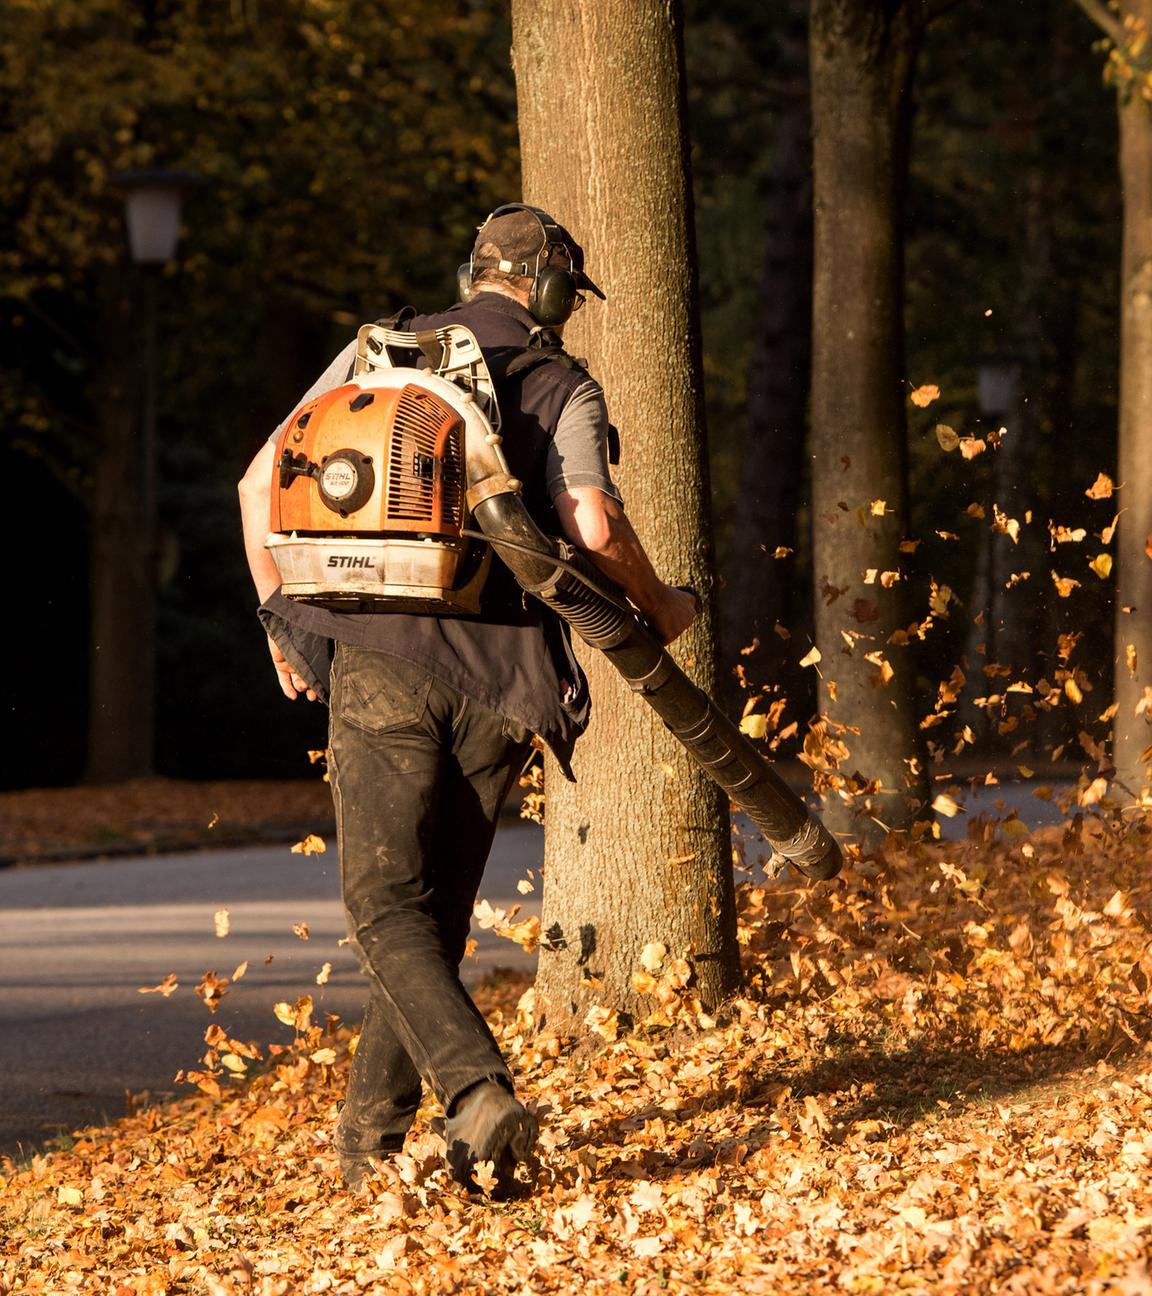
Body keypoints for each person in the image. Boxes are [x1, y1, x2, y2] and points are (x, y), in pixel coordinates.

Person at [238, 204, 697, 1196]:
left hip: (378, 657)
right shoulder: (563, 382)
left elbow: (255, 487)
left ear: (472, 272)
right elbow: (590, 520)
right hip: (506, 680)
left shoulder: (380, 356)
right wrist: (662, 605)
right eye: (567, 295)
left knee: (384, 908)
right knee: (428, 915)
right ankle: (378, 1153)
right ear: (545, 289)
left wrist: (287, 626)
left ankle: (476, 1098)